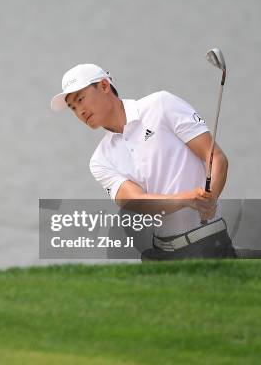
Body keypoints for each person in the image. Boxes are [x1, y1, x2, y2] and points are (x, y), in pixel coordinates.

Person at [50, 64, 236, 260]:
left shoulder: (161, 105)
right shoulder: (100, 160)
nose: (80, 111)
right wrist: (186, 199)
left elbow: (215, 157)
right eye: (73, 108)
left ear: (104, 86)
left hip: (209, 240)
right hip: (161, 252)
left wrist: (210, 199)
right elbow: (137, 202)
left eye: (80, 99)